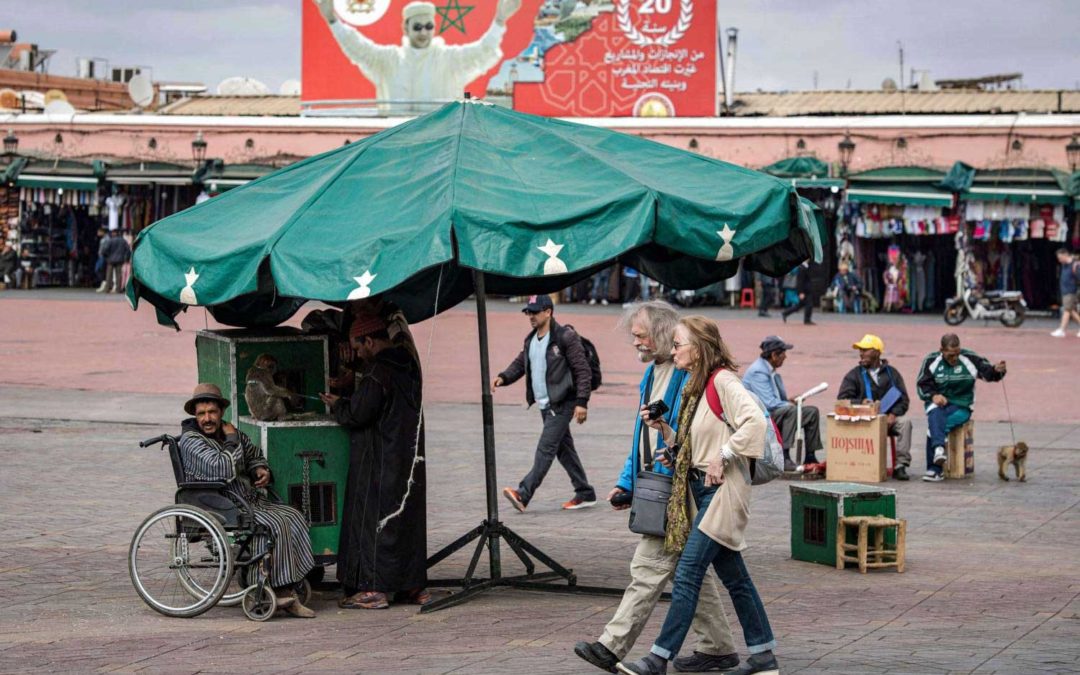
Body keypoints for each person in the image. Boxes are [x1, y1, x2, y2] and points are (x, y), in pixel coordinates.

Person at [574, 302, 738, 674]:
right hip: (657, 483)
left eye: (640, 333)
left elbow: (690, 433)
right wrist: (627, 481)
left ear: (664, 333)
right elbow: (640, 435)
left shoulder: (690, 375)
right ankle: (718, 647)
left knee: (648, 565)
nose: (635, 340)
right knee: (690, 570)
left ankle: (611, 646)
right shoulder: (652, 374)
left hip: (681, 487)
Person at [617, 317, 777, 675]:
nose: (673, 351)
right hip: (699, 491)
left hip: (720, 493)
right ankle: (764, 656)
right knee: (736, 578)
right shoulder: (697, 385)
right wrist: (667, 433)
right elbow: (697, 444)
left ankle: (658, 658)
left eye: (678, 344)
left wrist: (723, 455)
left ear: (700, 347)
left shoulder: (722, 381)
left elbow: (755, 422)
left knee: (688, 571)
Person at [178, 383, 316, 618]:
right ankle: (277, 589)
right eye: (201, 414)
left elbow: (252, 454)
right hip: (221, 503)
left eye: (212, 412)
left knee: (293, 515)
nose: (207, 418)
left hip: (246, 499)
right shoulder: (191, 441)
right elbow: (221, 467)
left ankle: (288, 581)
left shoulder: (229, 431)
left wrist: (260, 468)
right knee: (275, 524)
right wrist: (232, 440)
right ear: (195, 415)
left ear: (221, 411)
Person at [320, 312, 428, 608]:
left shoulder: (379, 370)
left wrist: (340, 403)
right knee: (405, 519)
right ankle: (412, 586)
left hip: (380, 457)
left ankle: (373, 588)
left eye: (358, 348)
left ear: (369, 340)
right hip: (408, 456)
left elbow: (360, 413)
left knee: (374, 520)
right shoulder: (407, 363)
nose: (357, 354)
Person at [313, 0, 521, 108]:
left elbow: (482, 51)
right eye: (418, 26)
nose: (423, 32)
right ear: (406, 28)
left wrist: (500, 21)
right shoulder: (389, 60)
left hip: (439, 145)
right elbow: (358, 47)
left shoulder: (448, 59)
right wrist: (332, 20)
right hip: (397, 141)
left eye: (428, 26)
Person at [494, 294, 597, 511]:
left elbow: (582, 370)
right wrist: (503, 377)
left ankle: (523, 493)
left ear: (548, 312)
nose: (530, 316)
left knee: (546, 448)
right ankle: (585, 492)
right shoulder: (531, 339)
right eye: (528, 312)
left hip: (563, 402)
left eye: (535, 312)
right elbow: (521, 363)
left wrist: (581, 402)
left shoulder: (565, 337)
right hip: (544, 404)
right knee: (564, 449)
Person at [916, 333, 1006, 482]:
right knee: (935, 414)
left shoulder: (969, 358)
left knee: (934, 426)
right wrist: (933, 396)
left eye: (957, 353)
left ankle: (935, 468)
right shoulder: (931, 361)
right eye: (951, 355)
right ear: (941, 350)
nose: (955, 358)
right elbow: (922, 386)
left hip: (962, 405)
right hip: (938, 403)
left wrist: (997, 370)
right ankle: (937, 457)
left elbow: (988, 373)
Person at [837, 334, 913, 481]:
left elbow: (904, 399)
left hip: (887, 420)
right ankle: (863, 464)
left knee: (905, 422)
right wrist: (860, 402)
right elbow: (842, 399)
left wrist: (893, 414)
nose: (861, 353)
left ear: (877, 353)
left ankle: (901, 465)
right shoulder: (854, 375)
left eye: (865, 350)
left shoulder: (892, 374)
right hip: (864, 422)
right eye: (860, 350)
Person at [742, 336, 822, 471]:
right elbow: (769, 403)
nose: (785, 356)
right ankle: (784, 457)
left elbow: (776, 401)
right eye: (783, 353)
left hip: (774, 412)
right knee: (790, 411)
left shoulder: (770, 370)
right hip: (761, 416)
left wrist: (790, 401)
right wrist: (790, 405)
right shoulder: (758, 371)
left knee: (811, 412)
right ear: (774, 355)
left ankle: (810, 456)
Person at [1051, 248, 1080, 338]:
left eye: (1060, 258)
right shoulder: (1064, 265)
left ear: (1065, 255)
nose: (1059, 260)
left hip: (1071, 291)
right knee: (1071, 310)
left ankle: (1061, 329)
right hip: (1065, 290)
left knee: (1067, 310)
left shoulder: (1075, 265)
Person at [96, 229, 130, 294]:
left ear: (113, 233)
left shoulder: (110, 241)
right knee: (119, 275)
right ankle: (118, 289)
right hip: (120, 259)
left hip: (110, 259)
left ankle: (107, 288)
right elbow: (128, 250)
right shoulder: (123, 241)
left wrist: (106, 257)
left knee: (109, 275)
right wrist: (126, 258)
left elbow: (104, 250)